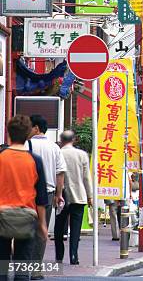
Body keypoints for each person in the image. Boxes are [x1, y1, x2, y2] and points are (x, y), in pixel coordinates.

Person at [0, 115, 48, 281]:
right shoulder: (35, 160)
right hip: (27, 217)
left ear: (9, 133)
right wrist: (42, 225)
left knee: (1, 266)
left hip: (2, 216)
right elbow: (41, 197)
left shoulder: (1, 157)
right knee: (22, 266)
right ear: (29, 134)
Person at [28, 115, 66, 277]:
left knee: (24, 229)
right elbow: (60, 173)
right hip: (48, 194)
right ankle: (36, 269)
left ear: (36, 128)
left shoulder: (25, 144)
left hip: (27, 194)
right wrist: (59, 194)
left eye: (30, 126)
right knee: (41, 231)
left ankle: (22, 266)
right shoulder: (54, 147)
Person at [54, 130, 92, 265]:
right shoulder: (82, 154)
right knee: (75, 229)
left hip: (61, 195)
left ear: (61, 140)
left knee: (59, 227)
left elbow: (56, 174)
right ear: (74, 139)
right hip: (78, 195)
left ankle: (59, 256)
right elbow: (86, 177)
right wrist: (90, 196)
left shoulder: (58, 153)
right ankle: (74, 256)